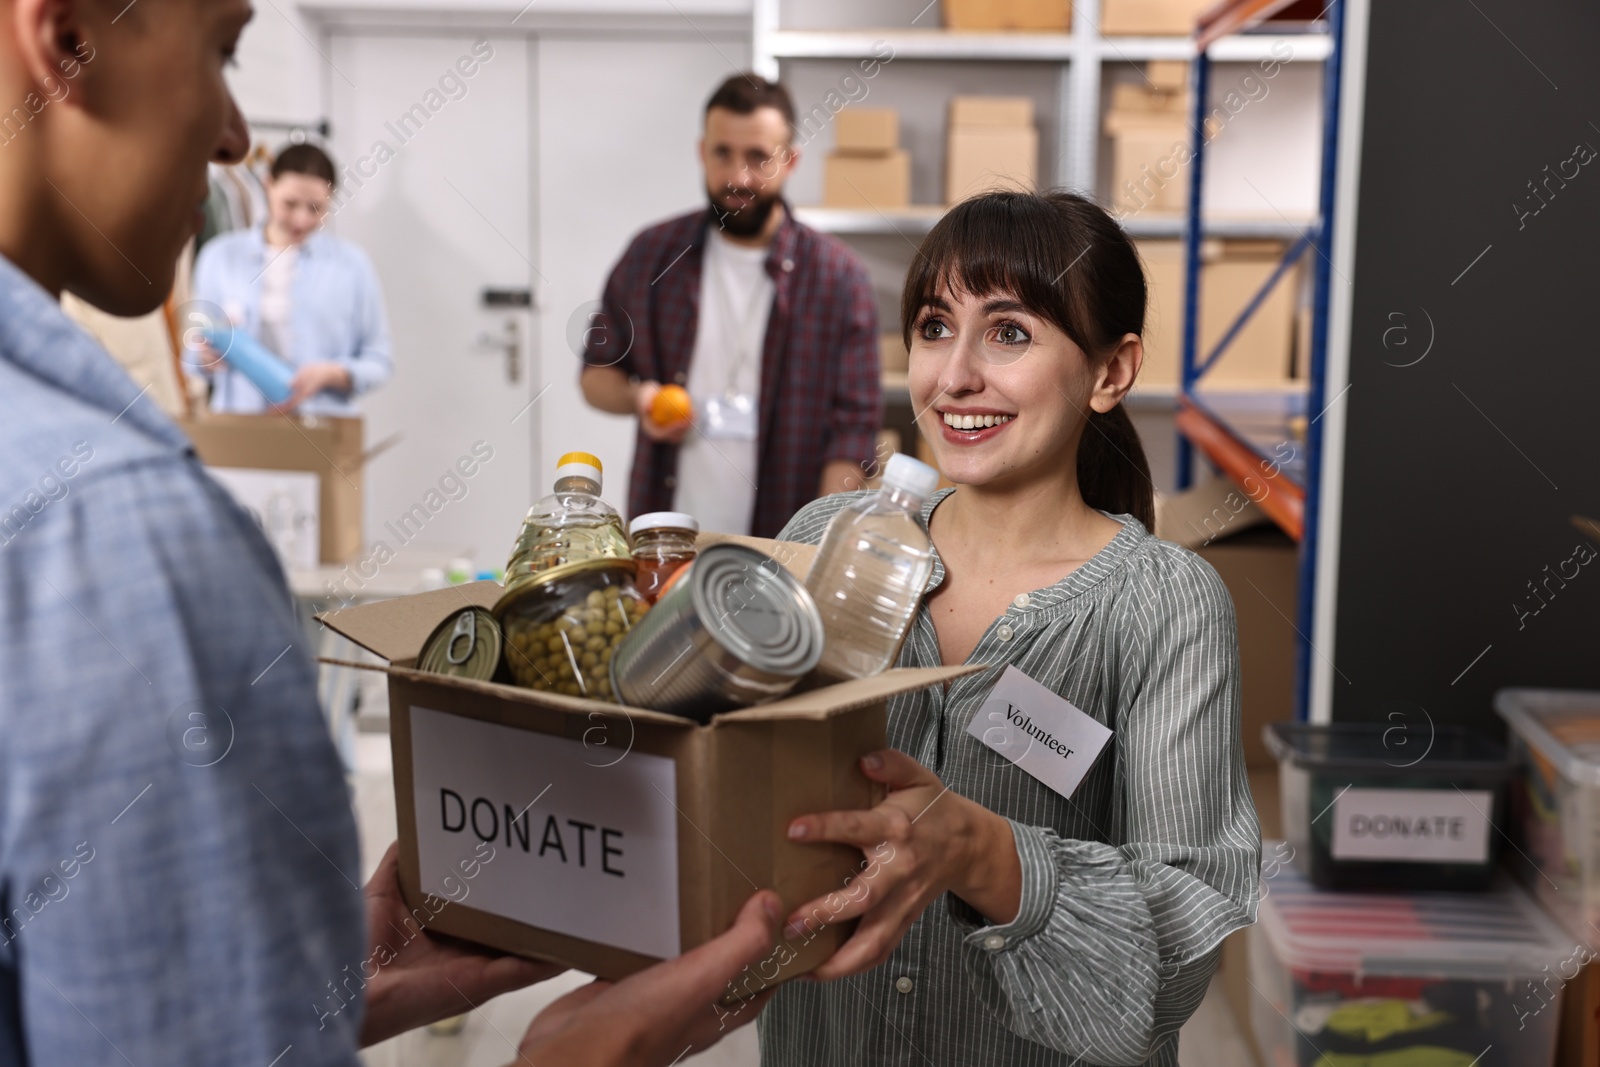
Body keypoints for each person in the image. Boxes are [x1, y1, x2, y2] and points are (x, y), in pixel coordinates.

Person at [0, 0, 779, 1064]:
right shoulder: (119, 531)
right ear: (63, 40)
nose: (236, 132)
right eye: (224, 49)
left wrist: (298, 997)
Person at [761, 191, 1262, 1066]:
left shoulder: (1161, 605)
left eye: (1010, 332)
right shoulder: (822, 544)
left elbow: (1179, 957)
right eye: (932, 325)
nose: (952, 376)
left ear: (1111, 371)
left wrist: (980, 851)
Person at [579, 72, 880, 538]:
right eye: (724, 153)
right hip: (665, 534)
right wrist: (639, 399)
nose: (738, 176)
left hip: (780, 539)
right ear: (703, 152)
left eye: (758, 157)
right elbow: (596, 375)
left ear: (791, 161)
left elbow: (854, 433)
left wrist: (813, 543)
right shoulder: (652, 254)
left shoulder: (840, 279)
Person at [192, 142, 392, 413]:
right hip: (239, 428)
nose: (301, 219)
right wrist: (204, 357)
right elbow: (191, 355)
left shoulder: (352, 266)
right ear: (267, 185)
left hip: (323, 429)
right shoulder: (219, 258)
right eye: (290, 204)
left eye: (316, 208)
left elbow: (379, 361)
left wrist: (333, 373)